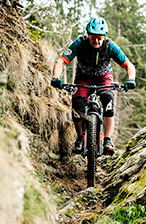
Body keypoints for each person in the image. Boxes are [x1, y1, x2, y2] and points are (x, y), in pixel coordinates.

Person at [50, 17, 136, 155]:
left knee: (108, 100)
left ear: (104, 36)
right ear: (88, 35)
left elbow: (128, 65)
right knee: (77, 104)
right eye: (93, 37)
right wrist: (56, 78)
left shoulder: (110, 46)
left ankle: (107, 140)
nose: (96, 40)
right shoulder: (80, 43)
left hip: (103, 78)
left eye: (99, 37)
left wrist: (131, 79)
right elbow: (61, 61)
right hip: (83, 78)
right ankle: (80, 138)